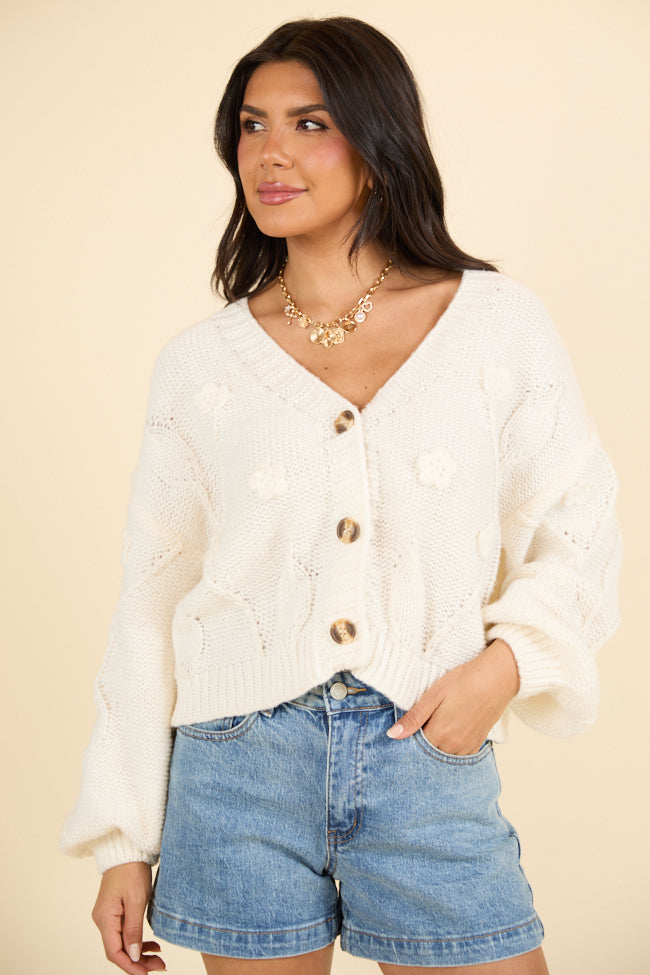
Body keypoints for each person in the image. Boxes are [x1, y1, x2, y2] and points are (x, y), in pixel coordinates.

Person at [60, 16, 622, 975]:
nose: (270, 152)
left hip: (424, 750)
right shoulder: (200, 366)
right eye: (252, 124)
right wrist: (123, 836)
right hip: (236, 767)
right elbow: (152, 598)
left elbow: (581, 523)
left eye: (310, 123)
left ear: (378, 140)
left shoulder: (494, 325)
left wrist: (504, 668)